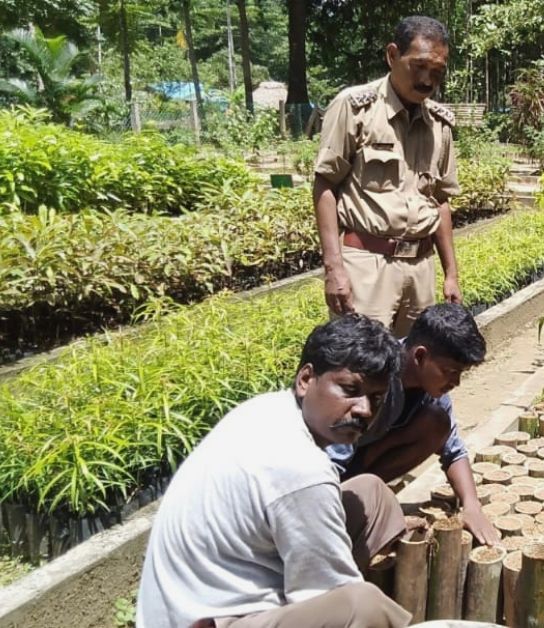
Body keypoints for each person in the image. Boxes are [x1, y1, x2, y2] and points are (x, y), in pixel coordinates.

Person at [137, 314, 412, 628]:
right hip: (205, 620)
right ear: (306, 380)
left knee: (372, 495)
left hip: (218, 590)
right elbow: (334, 593)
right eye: (350, 390)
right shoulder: (300, 468)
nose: (364, 409)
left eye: (375, 398)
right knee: (364, 606)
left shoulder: (269, 408)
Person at [314, 15, 462, 337]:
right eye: (419, 66)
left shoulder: (440, 124)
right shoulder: (355, 108)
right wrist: (334, 267)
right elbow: (325, 183)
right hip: (367, 265)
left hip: (421, 269)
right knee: (361, 369)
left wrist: (451, 273)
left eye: (437, 71)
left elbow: (441, 201)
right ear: (392, 55)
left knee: (413, 370)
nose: (427, 80)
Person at [327, 302, 500, 545]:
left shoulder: (430, 387)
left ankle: (367, 496)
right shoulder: (374, 378)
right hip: (327, 472)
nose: (456, 382)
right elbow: (328, 463)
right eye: (450, 371)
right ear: (419, 356)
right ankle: (352, 508)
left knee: (437, 422)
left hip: (360, 462)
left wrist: (472, 506)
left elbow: (453, 449)